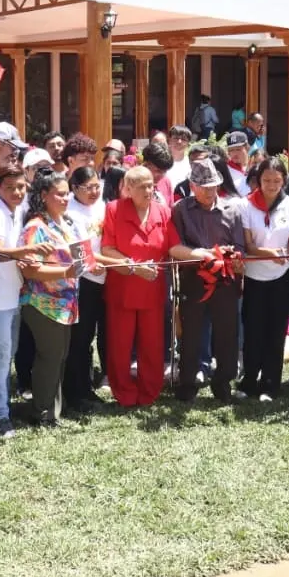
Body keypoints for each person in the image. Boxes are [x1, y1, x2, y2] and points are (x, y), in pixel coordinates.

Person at [168, 160, 246, 402]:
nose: (210, 192)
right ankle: (187, 382)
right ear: (192, 186)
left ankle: (223, 383)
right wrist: (202, 254)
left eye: (213, 186)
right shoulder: (181, 209)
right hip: (193, 279)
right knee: (191, 333)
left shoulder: (232, 210)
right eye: (204, 187)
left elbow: (240, 245)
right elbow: (177, 243)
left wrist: (232, 256)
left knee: (226, 333)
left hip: (225, 281)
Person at [101, 166, 179, 408]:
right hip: (122, 289)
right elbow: (107, 249)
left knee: (153, 345)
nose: (149, 189)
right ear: (128, 188)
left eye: (151, 184)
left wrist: (200, 255)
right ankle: (124, 392)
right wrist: (134, 266)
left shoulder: (163, 212)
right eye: (142, 185)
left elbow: (173, 246)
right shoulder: (114, 210)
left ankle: (149, 391)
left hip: (152, 289)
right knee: (120, 346)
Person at [17, 171, 89, 426]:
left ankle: (54, 409)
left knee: (59, 356)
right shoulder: (35, 227)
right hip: (42, 303)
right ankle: (42, 412)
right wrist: (65, 271)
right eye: (59, 193)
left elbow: (82, 256)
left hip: (66, 303)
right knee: (49, 358)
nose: (65, 197)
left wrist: (92, 264)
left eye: (66, 192)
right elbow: (28, 269)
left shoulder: (66, 222)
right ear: (44, 196)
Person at [0, 166, 44, 439]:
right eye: (10, 187)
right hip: (0, 295)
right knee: (0, 356)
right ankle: (0, 415)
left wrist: (25, 256)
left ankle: (1, 404)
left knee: (10, 351)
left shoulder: (22, 210)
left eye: (21, 186)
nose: (17, 192)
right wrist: (26, 251)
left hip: (18, 292)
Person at [237, 157, 289, 401]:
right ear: (258, 180)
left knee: (276, 331)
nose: (271, 185)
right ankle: (248, 381)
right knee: (253, 330)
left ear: (284, 179)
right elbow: (248, 245)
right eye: (266, 180)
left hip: (281, 277)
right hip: (254, 278)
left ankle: (270, 384)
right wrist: (267, 254)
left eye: (277, 180)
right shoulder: (245, 206)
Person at [65, 167, 110, 412]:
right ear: (74, 188)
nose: (94, 192)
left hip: (106, 278)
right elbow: (76, 247)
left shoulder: (103, 206)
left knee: (100, 334)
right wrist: (91, 265)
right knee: (80, 338)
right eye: (88, 188)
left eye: (97, 186)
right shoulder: (70, 211)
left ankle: (91, 383)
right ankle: (76, 390)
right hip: (83, 281)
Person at [223, 131, 252, 196]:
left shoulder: (255, 165)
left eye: (238, 149)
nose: (234, 153)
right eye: (231, 150)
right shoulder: (225, 170)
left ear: (247, 148)